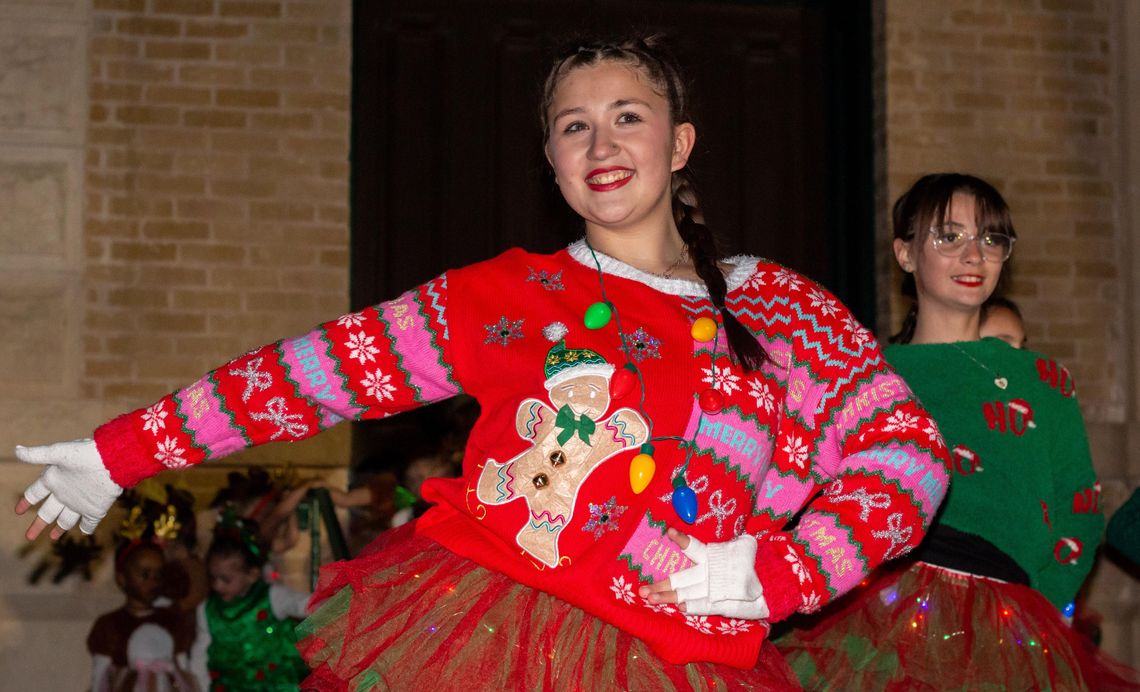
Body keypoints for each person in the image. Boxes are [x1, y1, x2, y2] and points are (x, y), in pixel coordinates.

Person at [15, 36, 949, 688]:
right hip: (490, 635)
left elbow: (906, 453)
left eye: (627, 116)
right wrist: (118, 454)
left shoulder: (778, 306)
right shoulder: (507, 295)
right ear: (551, 158)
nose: (601, 144)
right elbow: (316, 372)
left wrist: (784, 570)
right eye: (573, 126)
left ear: (679, 143)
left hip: (688, 657)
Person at [776, 172, 1140, 689]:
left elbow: (1078, 512)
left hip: (1009, 626)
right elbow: (811, 495)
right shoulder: (864, 375)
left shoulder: (1044, 381)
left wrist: (1032, 617)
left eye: (991, 239)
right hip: (879, 620)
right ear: (905, 253)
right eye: (949, 236)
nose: (974, 255)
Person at [190, 518, 310, 691]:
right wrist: (202, 686)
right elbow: (201, 652)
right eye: (213, 578)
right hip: (232, 686)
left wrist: (337, 602)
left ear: (252, 575)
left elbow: (302, 604)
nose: (217, 586)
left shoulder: (270, 596)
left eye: (226, 579)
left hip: (276, 683)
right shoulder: (208, 610)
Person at [87, 540, 198, 692]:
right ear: (122, 578)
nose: (152, 581)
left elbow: (183, 667)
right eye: (145, 574)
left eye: (158, 575)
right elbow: (100, 674)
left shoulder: (173, 620)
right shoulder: (109, 624)